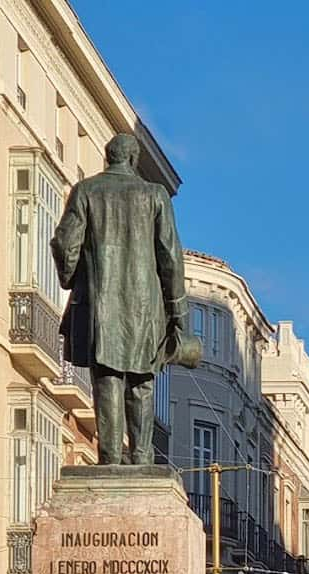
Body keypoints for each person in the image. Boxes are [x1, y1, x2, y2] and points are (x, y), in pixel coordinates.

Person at [51, 133, 188, 466]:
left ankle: (109, 459)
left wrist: (73, 278)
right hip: (146, 309)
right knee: (142, 381)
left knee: (108, 380)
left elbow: (64, 242)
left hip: (101, 305)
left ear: (108, 158)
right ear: (133, 159)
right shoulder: (154, 195)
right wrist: (178, 312)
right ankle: (141, 457)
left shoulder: (87, 191)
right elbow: (170, 255)